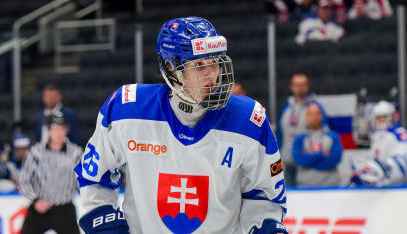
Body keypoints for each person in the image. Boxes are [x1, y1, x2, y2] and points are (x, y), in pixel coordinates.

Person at [75, 16, 288, 234]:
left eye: (215, 62)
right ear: (170, 67)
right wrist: (102, 220)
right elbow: (94, 176)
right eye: (198, 65)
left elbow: (264, 195)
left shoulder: (249, 120)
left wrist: (267, 226)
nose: (211, 75)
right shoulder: (127, 110)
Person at [20, 114, 82, 234]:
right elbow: (24, 180)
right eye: (54, 128)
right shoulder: (35, 153)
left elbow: (83, 179)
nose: (58, 132)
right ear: (48, 130)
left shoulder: (76, 153)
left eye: (61, 128)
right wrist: (35, 200)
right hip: (39, 208)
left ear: (66, 130)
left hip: (65, 209)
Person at [276, 73, 327, 187]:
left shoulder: (315, 107)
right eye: (297, 85)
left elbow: (324, 132)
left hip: (306, 163)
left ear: (307, 86)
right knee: (289, 197)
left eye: (303, 85)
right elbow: (280, 133)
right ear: (292, 87)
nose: (300, 88)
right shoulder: (286, 107)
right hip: (286, 160)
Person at [292, 103, 343, 186]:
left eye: (317, 114)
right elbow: (298, 159)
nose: (315, 117)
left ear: (322, 116)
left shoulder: (333, 136)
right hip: (305, 187)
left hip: (330, 186)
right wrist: (321, 155)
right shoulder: (299, 139)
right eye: (311, 115)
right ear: (306, 117)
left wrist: (309, 160)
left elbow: (335, 159)